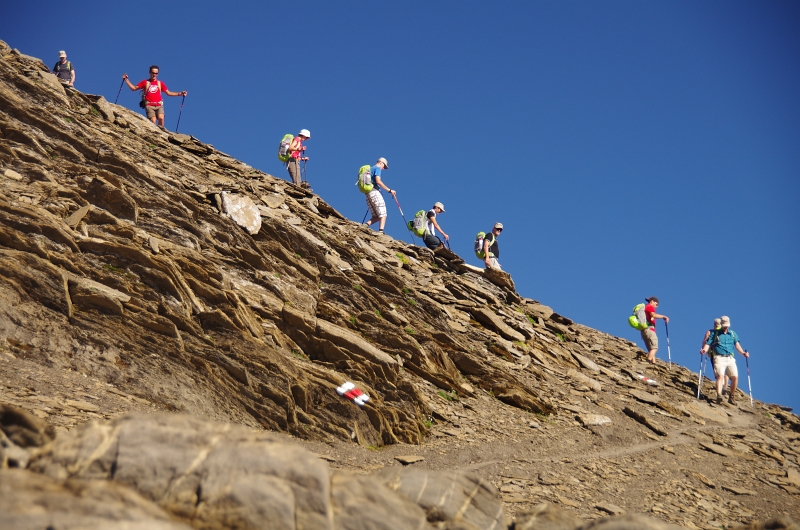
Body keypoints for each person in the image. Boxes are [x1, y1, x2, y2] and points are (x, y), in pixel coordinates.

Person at [701, 315, 749, 405]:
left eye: (727, 325)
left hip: (730, 358)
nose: (726, 327)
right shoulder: (715, 333)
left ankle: (731, 396)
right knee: (720, 376)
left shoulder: (733, 334)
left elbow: (737, 345)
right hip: (718, 357)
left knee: (735, 377)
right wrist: (704, 350)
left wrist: (743, 353)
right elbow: (708, 343)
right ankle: (719, 395)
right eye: (724, 325)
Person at [122, 66, 187, 127]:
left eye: (156, 73)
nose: (154, 75)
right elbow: (133, 88)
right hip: (149, 105)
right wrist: (126, 80)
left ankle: (161, 133)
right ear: (149, 72)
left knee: (161, 118)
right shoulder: (145, 82)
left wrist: (180, 93)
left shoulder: (160, 83)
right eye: (153, 73)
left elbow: (168, 93)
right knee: (153, 120)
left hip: (159, 105)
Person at [363, 158, 394, 234]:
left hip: (368, 194)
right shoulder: (377, 169)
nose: (383, 168)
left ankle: (365, 225)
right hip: (374, 192)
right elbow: (378, 181)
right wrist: (389, 190)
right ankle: (381, 231)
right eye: (384, 166)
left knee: (377, 216)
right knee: (383, 213)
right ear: (381, 163)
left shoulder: (370, 169)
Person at [701, 318, 728, 391]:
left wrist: (704, 349)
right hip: (724, 353)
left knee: (717, 370)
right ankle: (725, 386)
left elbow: (704, 342)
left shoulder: (710, 332)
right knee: (725, 370)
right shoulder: (724, 332)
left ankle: (721, 385)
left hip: (714, 354)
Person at [640, 296, 669, 364]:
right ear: (652, 301)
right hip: (650, 329)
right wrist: (664, 316)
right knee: (654, 348)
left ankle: (653, 364)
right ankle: (647, 362)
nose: (657, 306)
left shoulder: (645, 307)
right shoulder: (649, 307)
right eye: (656, 304)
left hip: (644, 330)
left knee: (651, 349)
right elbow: (653, 315)